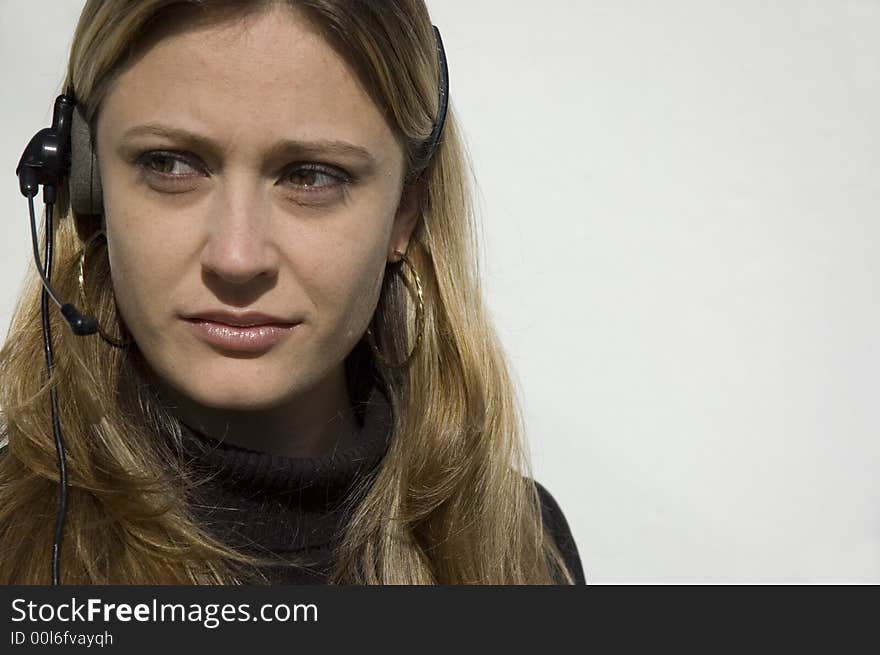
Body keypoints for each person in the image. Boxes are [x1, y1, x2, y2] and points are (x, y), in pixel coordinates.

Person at [0, 0, 585, 585]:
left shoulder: (522, 545)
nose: (236, 257)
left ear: (404, 210)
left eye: (311, 176)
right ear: (85, 183)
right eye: (171, 164)